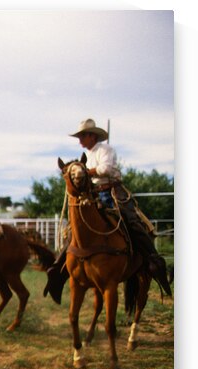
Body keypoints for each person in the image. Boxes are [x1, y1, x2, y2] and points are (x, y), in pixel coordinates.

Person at [43, 118, 171, 303]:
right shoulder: (86, 155)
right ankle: (58, 268)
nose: (80, 140)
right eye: (79, 137)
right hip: (94, 194)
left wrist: (84, 171)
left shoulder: (105, 150)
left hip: (113, 192)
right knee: (75, 229)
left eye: (82, 136)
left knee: (131, 221)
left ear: (92, 136)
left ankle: (152, 260)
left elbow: (105, 169)